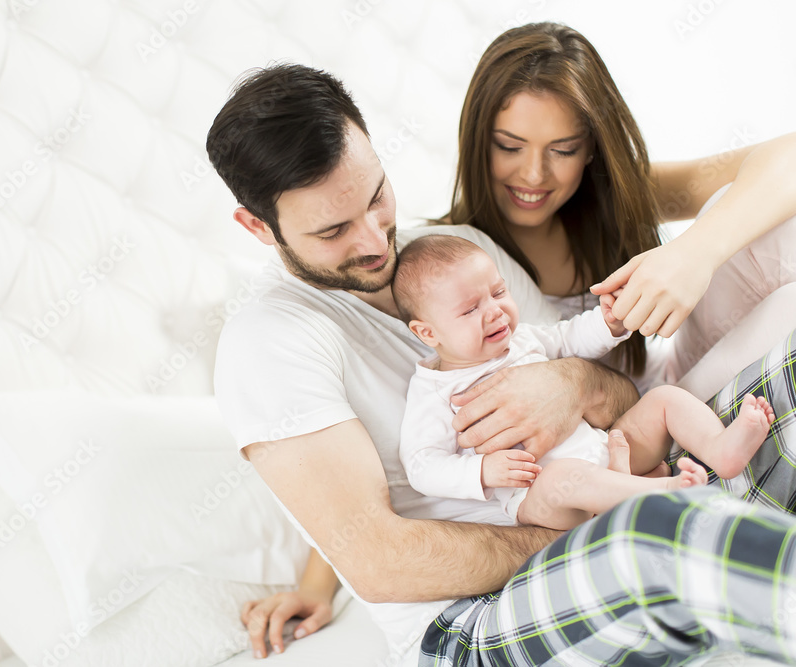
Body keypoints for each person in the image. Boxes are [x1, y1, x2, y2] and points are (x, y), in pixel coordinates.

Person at [206, 62, 796, 666]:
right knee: (657, 530)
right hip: (472, 619)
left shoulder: (462, 253)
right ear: (257, 226)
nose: (375, 241)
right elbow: (381, 560)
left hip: (612, 483)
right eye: (333, 229)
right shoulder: (270, 341)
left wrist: (569, 385)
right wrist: (587, 516)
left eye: (376, 197)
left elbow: (609, 395)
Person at [447, 21, 796, 403]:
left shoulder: (611, 195)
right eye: (509, 146)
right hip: (624, 444)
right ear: (478, 139)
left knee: (768, 221)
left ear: (591, 148)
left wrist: (693, 254)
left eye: (563, 150)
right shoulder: (444, 254)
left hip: (680, 391)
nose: (533, 175)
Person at [394, 234, 774, 530]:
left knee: (663, 399)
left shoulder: (522, 339)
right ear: (427, 332)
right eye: (470, 308)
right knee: (566, 476)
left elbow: (568, 338)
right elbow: (422, 465)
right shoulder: (434, 391)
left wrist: (608, 323)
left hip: (605, 447)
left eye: (498, 292)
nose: (495, 312)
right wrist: (481, 471)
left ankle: (721, 450)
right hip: (542, 494)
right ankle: (663, 491)